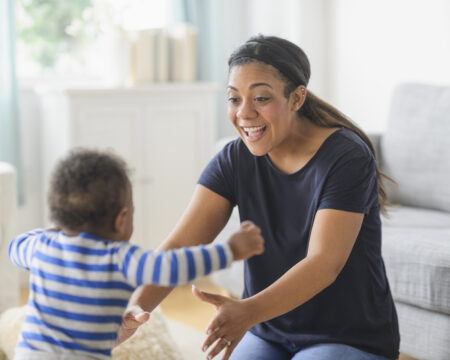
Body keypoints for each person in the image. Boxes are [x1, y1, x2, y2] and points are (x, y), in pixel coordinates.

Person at [119, 35, 400, 360]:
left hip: (347, 336)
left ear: (297, 98)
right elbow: (181, 244)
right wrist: (133, 311)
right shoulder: (234, 159)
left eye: (261, 98)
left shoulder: (346, 157)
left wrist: (247, 311)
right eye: (233, 99)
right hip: (269, 332)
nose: (244, 113)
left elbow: (324, 264)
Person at [8, 149, 264, 360]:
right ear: (121, 220)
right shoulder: (121, 258)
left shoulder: (41, 247)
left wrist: (54, 233)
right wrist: (229, 251)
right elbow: (172, 266)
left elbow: (15, 247)